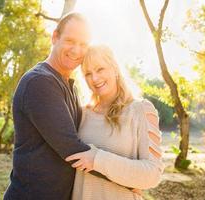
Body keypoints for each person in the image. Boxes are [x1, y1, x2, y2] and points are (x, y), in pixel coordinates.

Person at [3, 13, 99, 200]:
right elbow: (72, 149)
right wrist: (126, 178)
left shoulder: (69, 85)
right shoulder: (39, 82)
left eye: (83, 44)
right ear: (55, 37)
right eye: (70, 41)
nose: (77, 50)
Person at [66, 45, 164, 200]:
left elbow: (153, 174)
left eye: (100, 69)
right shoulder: (81, 114)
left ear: (115, 68)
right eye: (88, 74)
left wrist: (97, 159)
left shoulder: (141, 110)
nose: (95, 78)